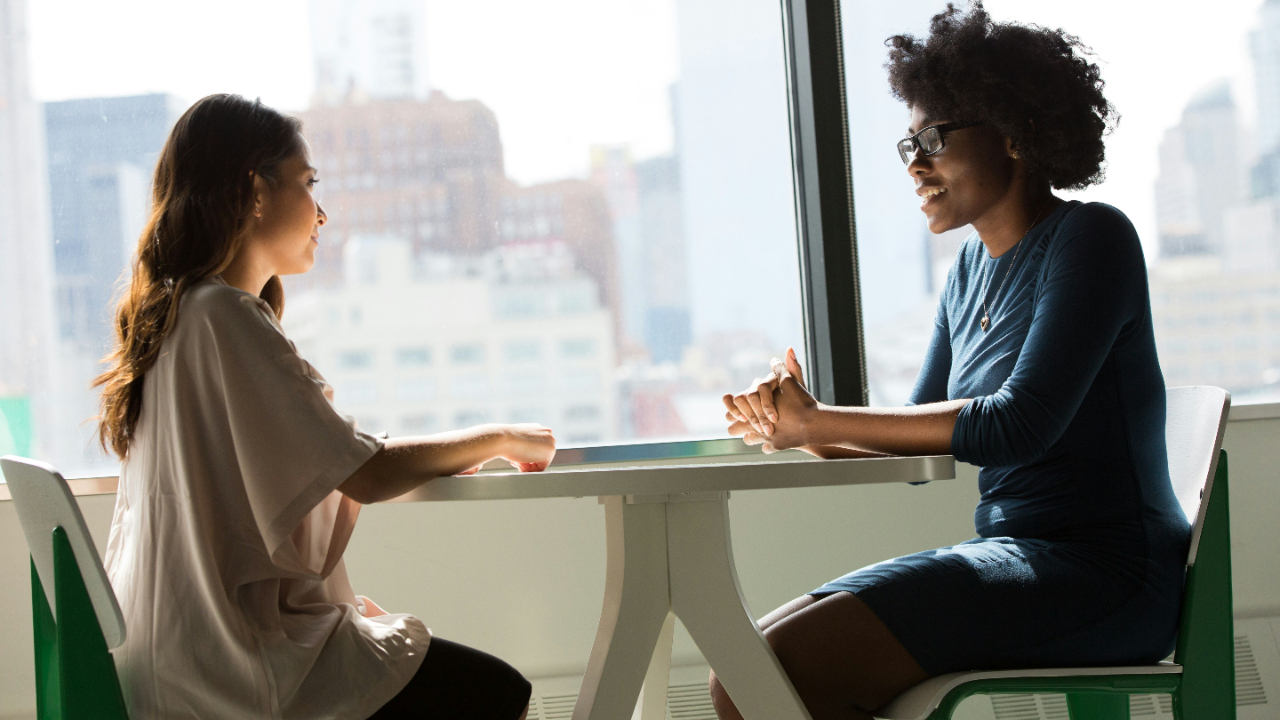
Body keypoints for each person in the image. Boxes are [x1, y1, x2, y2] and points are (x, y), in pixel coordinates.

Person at [715, 4, 1189, 720]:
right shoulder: (967, 271)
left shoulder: (1092, 237)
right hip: (1015, 554)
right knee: (742, 676)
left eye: (934, 138)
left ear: (1014, 132)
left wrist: (821, 419)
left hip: (1108, 574)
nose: (915, 163)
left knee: (776, 677)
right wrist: (798, 428)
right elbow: (918, 448)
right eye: (908, 144)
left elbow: (1019, 425)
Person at [96, 93, 555, 720]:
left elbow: (302, 475)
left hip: (172, 659)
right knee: (499, 693)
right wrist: (500, 437)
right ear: (255, 191)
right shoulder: (223, 317)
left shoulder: (177, 317)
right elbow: (364, 472)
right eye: (309, 183)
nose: (323, 212)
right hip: (232, 668)